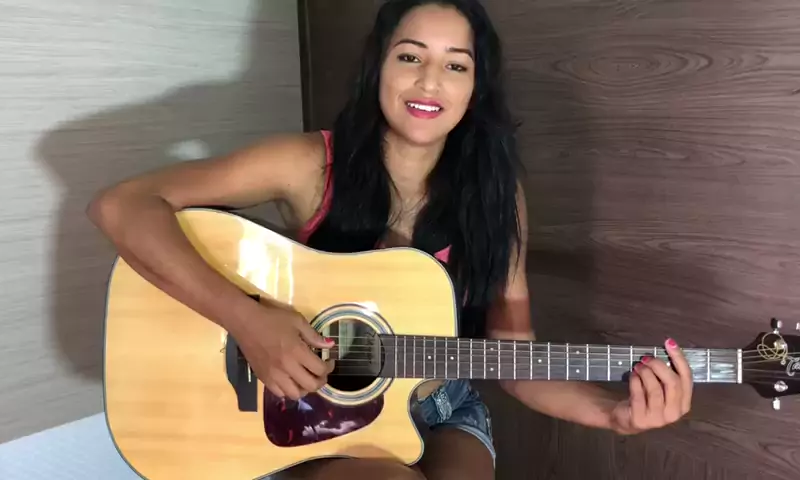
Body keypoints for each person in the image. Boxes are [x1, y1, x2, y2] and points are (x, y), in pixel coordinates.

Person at [87, 1, 694, 479]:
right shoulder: (309, 164)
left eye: (456, 65)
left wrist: (613, 414)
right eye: (410, 56)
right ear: (378, 65)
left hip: (443, 408)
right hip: (307, 412)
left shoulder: (497, 195)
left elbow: (516, 359)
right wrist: (248, 321)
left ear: (475, 87)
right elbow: (122, 207)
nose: (430, 82)